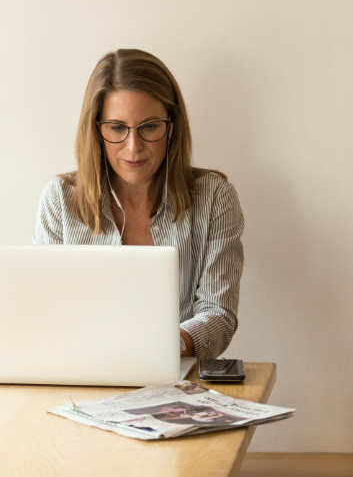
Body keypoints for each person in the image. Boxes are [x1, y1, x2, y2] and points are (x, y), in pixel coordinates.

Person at [33, 48, 244, 359]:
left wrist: (160, 349)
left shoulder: (214, 198)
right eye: (117, 128)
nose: (134, 147)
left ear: (171, 126)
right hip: (80, 377)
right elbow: (44, 313)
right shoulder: (60, 199)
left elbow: (219, 315)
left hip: (177, 384)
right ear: (96, 130)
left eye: (149, 127)